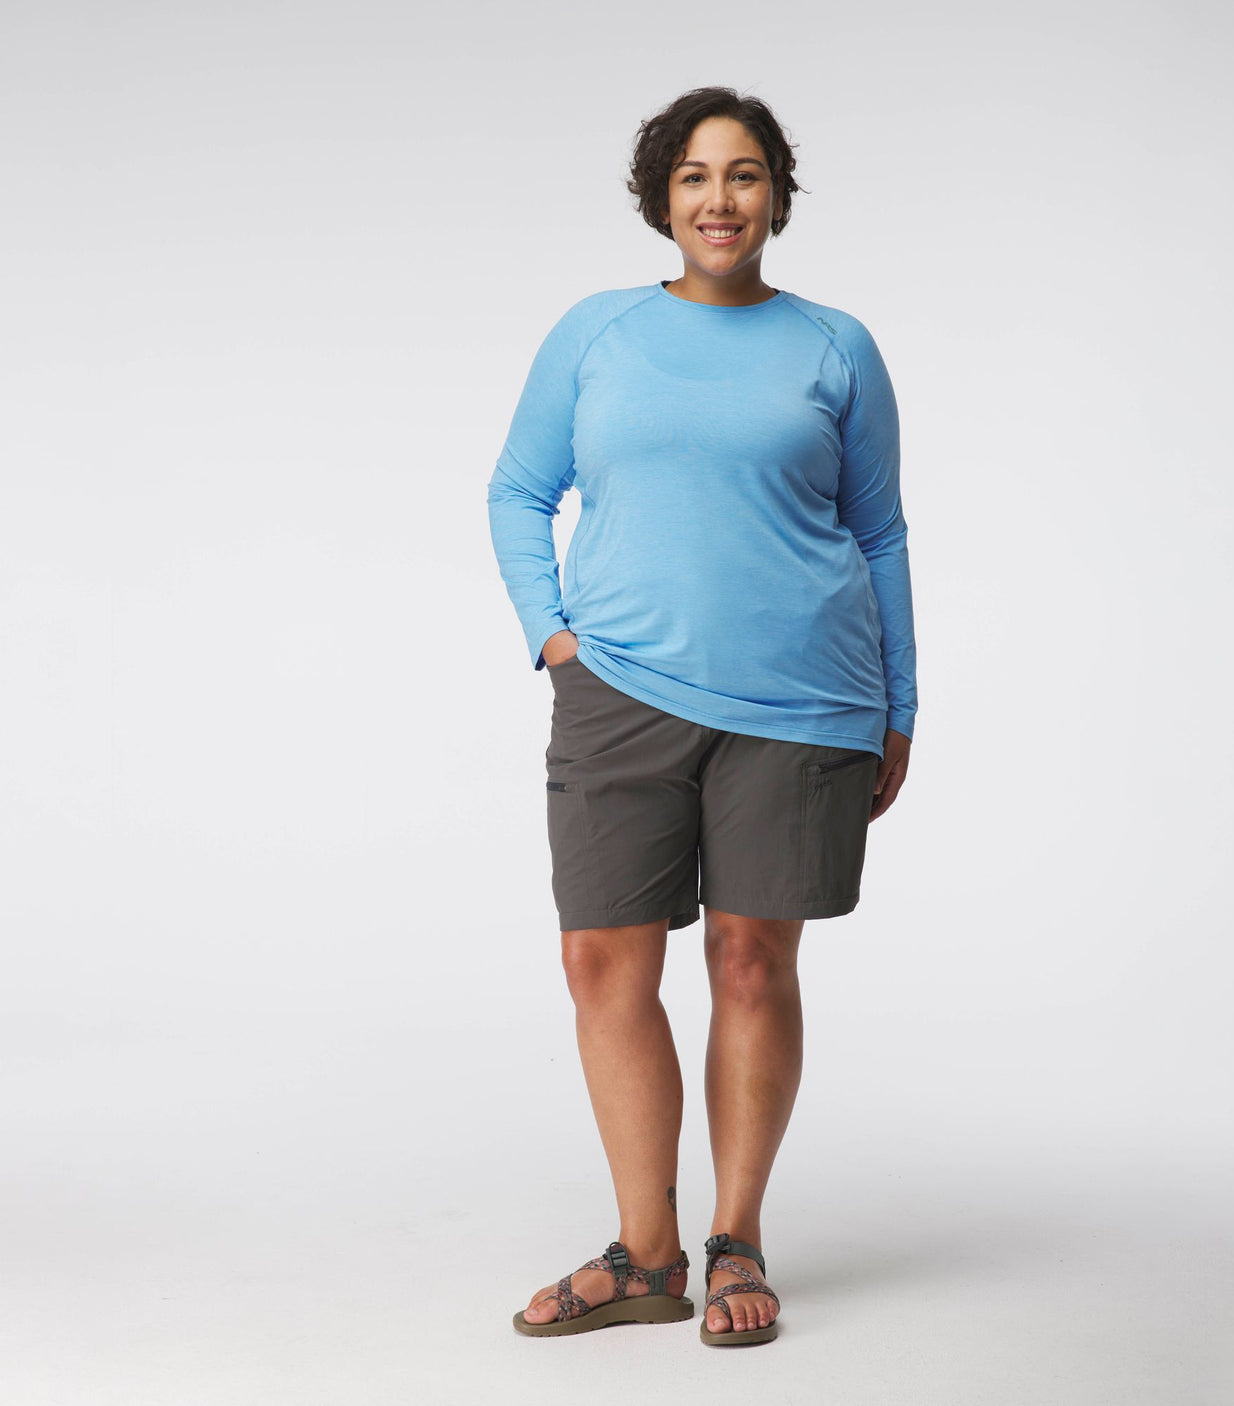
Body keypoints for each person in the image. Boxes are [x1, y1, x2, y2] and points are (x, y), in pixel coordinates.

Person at [487, 86, 917, 1346]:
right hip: (618, 686)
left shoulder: (835, 346)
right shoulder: (596, 333)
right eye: (692, 176)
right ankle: (644, 1251)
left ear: (775, 193)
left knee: (749, 958)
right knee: (599, 960)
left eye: (741, 175)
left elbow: (880, 532)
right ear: (659, 198)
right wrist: (552, 634)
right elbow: (518, 490)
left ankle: (735, 1237)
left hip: (802, 697)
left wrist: (900, 703)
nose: (718, 199)